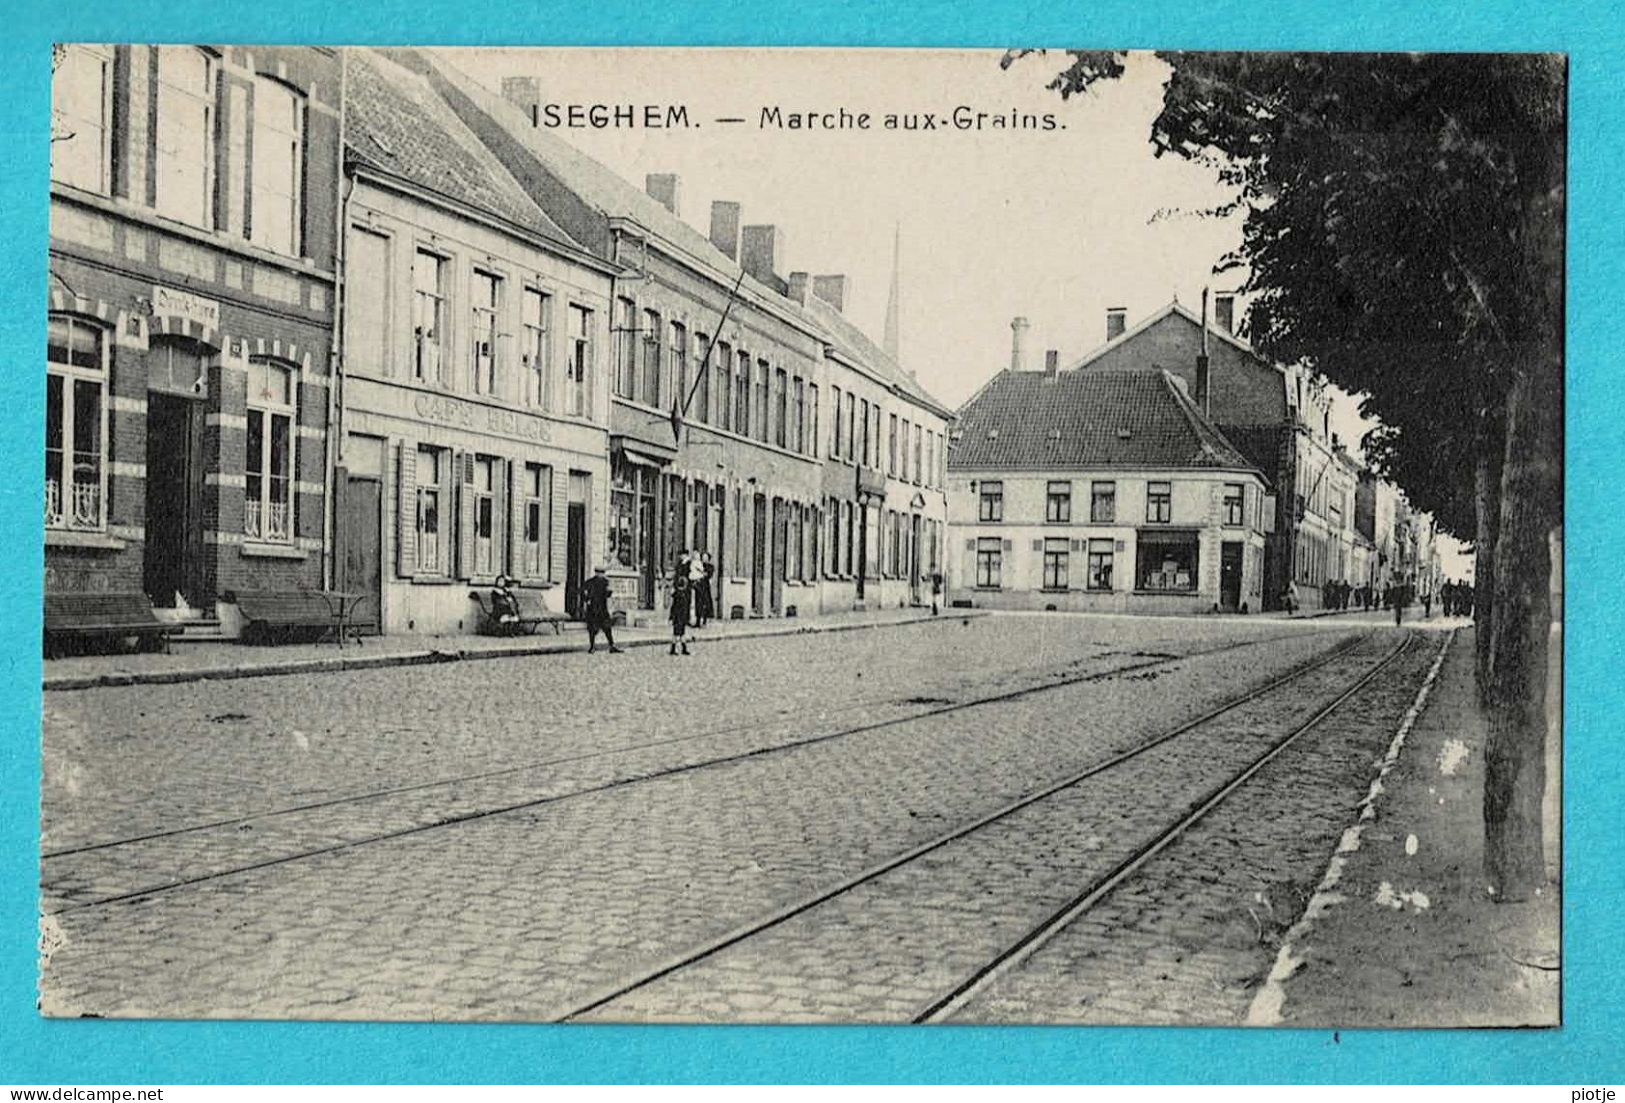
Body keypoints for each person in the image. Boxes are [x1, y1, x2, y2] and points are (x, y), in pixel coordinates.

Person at [582, 566, 623, 654]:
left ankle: (594, 647)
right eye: (600, 573)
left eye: (601, 573)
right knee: (604, 628)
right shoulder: (605, 582)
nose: (601, 575)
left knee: (596, 629)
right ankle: (608, 646)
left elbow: (584, 595)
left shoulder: (589, 582)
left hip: (594, 609)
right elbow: (608, 595)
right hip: (601, 609)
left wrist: (587, 602)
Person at [668, 570, 692, 656]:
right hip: (679, 617)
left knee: (680, 633)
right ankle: (676, 649)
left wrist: (671, 617)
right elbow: (677, 608)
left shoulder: (678, 594)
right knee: (678, 633)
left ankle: (679, 648)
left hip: (679, 617)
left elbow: (673, 607)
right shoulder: (682, 595)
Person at [691, 551, 713, 628]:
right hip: (699, 587)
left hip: (705, 588)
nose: (704, 559)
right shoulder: (699, 564)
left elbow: (707, 575)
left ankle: (704, 621)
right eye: (703, 557)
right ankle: (697, 621)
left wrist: (700, 571)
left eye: (706, 557)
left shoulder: (710, 567)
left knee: (705, 604)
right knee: (698, 604)